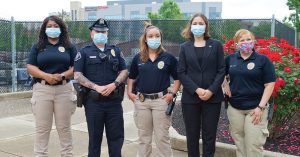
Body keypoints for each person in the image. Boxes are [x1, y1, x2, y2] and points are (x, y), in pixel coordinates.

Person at [73, 18, 128, 157]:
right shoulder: (84, 52)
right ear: (91, 33)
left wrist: (114, 84)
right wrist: (96, 87)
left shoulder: (115, 50)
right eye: (98, 31)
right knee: (94, 140)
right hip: (94, 103)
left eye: (104, 31)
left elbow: (124, 71)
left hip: (114, 102)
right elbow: (77, 75)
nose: (101, 33)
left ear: (107, 33)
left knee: (116, 139)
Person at [127, 22, 181, 157]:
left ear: (161, 38)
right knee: (144, 138)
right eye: (150, 36)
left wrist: (172, 93)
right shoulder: (138, 57)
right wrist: (129, 92)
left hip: (161, 102)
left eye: (157, 36)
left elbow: (178, 78)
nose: (154, 38)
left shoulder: (168, 57)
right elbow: (131, 77)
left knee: (162, 137)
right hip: (142, 101)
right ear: (145, 39)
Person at [26, 15, 77, 156]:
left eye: (56, 26)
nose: (52, 29)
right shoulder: (38, 47)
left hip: (64, 90)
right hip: (42, 90)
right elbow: (30, 67)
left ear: (61, 29)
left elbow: (76, 68)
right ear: (44, 29)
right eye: (49, 26)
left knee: (64, 128)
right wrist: (46, 76)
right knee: (42, 129)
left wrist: (62, 75)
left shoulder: (69, 46)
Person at [177, 13, 225, 157]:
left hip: (213, 98)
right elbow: (181, 72)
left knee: (209, 136)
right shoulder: (184, 47)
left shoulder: (216, 45)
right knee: (192, 136)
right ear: (190, 26)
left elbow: (221, 70)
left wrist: (211, 90)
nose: (198, 26)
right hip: (190, 98)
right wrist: (197, 90)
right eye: (195, 23)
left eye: (201, 23)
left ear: (206, 26)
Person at [223, 29, 275, 157]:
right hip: (235, 108)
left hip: (256, 109)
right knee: (240, 145)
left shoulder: (263, 60)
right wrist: (225, 84)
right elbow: (219, 74)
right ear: (236, 44)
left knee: (253, 146)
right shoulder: (230, 59)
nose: (246, 42)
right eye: (242, 40)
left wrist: (260, 107)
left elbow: (269, 85)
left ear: (253, 42)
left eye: (248, 39)